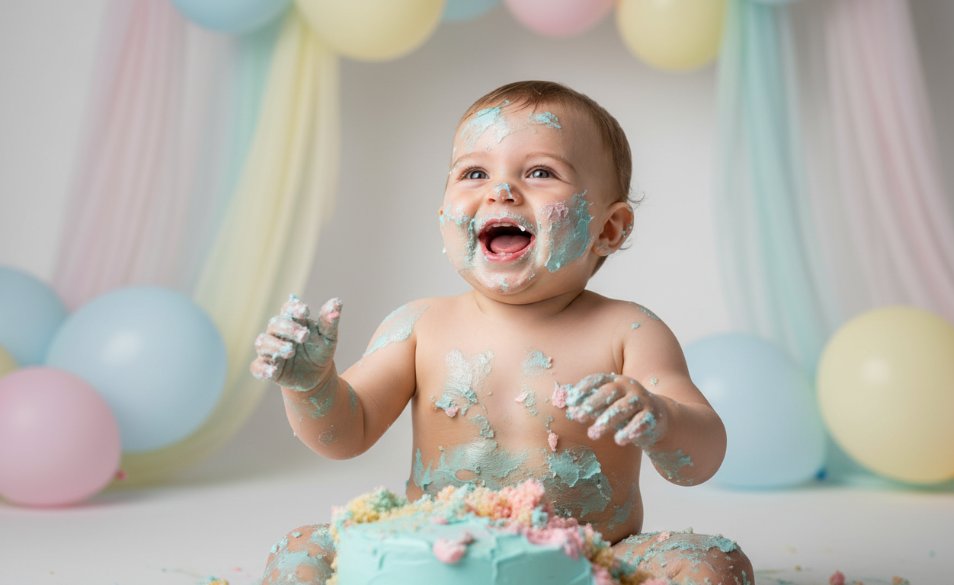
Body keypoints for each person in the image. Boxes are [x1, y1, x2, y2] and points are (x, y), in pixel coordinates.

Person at [251, 80, 754, 585]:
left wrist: (661, 418)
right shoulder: (418, 326)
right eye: (474, 173)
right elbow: (346, 434)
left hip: (586, 561)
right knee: (300, 548)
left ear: (609, 228)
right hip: (433, 557)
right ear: (444, 218)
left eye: (540, 172)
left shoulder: (629, 331)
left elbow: (700, 461)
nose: (501, 190)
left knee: (713, 561)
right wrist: (311, 385)